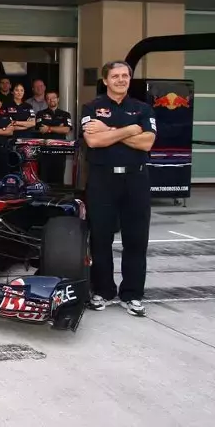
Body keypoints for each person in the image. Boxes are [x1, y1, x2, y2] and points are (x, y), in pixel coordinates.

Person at [80, 61, 156, 317]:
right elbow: (93, 140)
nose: (121, 79)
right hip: (103, 181)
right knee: (100, 238)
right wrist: (129, 131)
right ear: (105, 80)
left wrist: (110, 130)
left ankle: (132, 294)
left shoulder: (143, 109)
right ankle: (102, 291)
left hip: (136, 181)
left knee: (136, 240)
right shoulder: (91, 107)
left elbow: (147, 143)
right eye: (115, 76)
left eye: (125, 75)